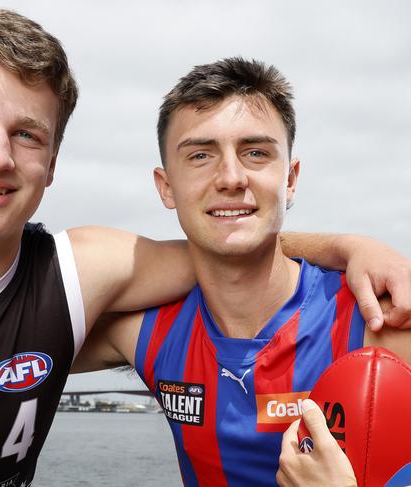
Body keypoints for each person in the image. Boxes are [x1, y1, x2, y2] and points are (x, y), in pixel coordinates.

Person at [0, 8, 409, 486]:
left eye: (26, 135)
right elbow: (227, 240)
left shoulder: (78, 279)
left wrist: (350, 246)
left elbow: (233, 241)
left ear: (52, 162)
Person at [65, 58, 411, 486]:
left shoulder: (377, 323)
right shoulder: (148, 335)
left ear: (290, 179)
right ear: (166, 186)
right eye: (200, 155)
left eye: (255, 152)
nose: (230, 177)